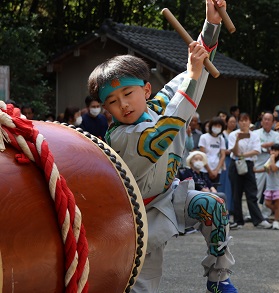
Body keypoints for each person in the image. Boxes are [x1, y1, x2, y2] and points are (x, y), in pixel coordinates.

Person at [87, 2, 238, 292]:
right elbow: (165, 129)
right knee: (139, 287)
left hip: (168, 198)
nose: (124, 105)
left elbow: (194, 73)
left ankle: (219, 279)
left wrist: (211, 25)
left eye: (128, 93)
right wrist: (193, 75)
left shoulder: (156, 106)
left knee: (212, 205)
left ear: (146, 90)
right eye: (113, 102)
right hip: (135, 218)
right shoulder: (120, 136)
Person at [228, 112, 272, 229]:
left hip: (248, 163)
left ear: (249, 122)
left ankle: (258, 220)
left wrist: (243, 155)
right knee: (236, 192)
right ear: (238, 122)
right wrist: (238, 140)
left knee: (251, 192)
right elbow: (234, 152)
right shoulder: (233, 135)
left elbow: (256, 150)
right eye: (241, 120)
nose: (243, 123)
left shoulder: (254, 135)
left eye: (246, 120)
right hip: (235, 163)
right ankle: (238, 221)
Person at [253, 112, 279, 219]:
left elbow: (278, 149)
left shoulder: (277, 135)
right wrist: (268, 146)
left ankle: (266, 213)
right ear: (261, 121)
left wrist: (264, 147)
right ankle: (254, 213)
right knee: (256, 188)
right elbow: (255, 148)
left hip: (272, 165)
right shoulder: (255, 133)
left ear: (273, 122)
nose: (266, 121)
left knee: (269, 190)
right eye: (264, 119)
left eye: (269, 119)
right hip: (258, 164)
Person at [254, 143, 279, 230]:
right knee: (267, 203)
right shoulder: (270, 160)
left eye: (275, 150)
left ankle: (276, 221)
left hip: (278, 187)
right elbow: (266, 168)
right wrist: (256, 171)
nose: (273, 152)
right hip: (269, 187)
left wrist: (272, 158)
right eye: (272, 150)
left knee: (277, 203)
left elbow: (274, 168)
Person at [199, 116, 226, 184]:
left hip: (217, 169)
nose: (217, 127)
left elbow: (223, 155)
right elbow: (202, 155)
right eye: (215, 125)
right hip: (205, 169)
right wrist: (209, 171)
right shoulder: (203, 137)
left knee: (215, 190)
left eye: (219, 126)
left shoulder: (221, 139)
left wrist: (217, 170)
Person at [218, 114, 236, 213]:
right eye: (231, 122)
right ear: (226, 122)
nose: (233, 124)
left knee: (233, 185)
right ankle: (224, 206)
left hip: (234, 160)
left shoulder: (237, 134)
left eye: (234, 122)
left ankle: (232, 207)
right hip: (225, 160)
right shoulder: (222, 135)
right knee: (225, 184)